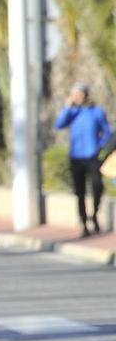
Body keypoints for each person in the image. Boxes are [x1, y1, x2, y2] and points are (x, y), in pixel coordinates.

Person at [54, 82, 111, 237]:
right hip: (76, 157)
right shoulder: (72, 113)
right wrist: (67, 107)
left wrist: (100, 148)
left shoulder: (96, 112)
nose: (76, 97)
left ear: (85, 95)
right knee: (79, 191)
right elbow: (59, 124)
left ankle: (95, 214)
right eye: (74, 95)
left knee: (97, 187)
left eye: (79, 94)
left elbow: (107, 132)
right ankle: (84, 223)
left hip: (92, 156)